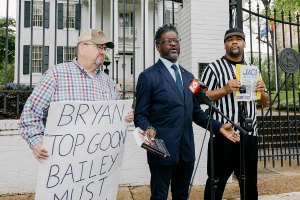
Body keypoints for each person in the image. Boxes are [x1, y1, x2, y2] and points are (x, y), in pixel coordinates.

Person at [134, 24, 238, 200]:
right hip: (161, 148)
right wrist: (147, 127)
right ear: (158, 46)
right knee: (159, 195)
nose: (173, 44)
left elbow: (196, 113)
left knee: (182, 195)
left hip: (186, 149)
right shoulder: (148, 76)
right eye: (168, 41)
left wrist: (219, 127)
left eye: (176, 40)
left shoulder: (190, 77)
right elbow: (140, 114)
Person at [19, 28, 134, 161]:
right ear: (82, 48)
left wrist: (125, 115)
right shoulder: (56, 75)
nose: (103, 52)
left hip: (99, 162)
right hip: (63, 164)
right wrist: (37, 143)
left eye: (104, 48)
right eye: (99, 47)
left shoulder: (108, 82)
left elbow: (114, 117)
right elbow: (29, 116)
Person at [201, 27, 269, 200]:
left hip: (249, 134)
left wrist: (262, 92)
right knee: (216, 182)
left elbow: (264, 101)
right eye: (230, 39)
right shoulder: (214, 68)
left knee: (249, 183)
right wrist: (225, 89)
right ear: (225, 44)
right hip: (224, 135)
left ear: (244, 43)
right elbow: (202, 97)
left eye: (238, 39)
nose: (234, 42)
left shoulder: (252, 69)